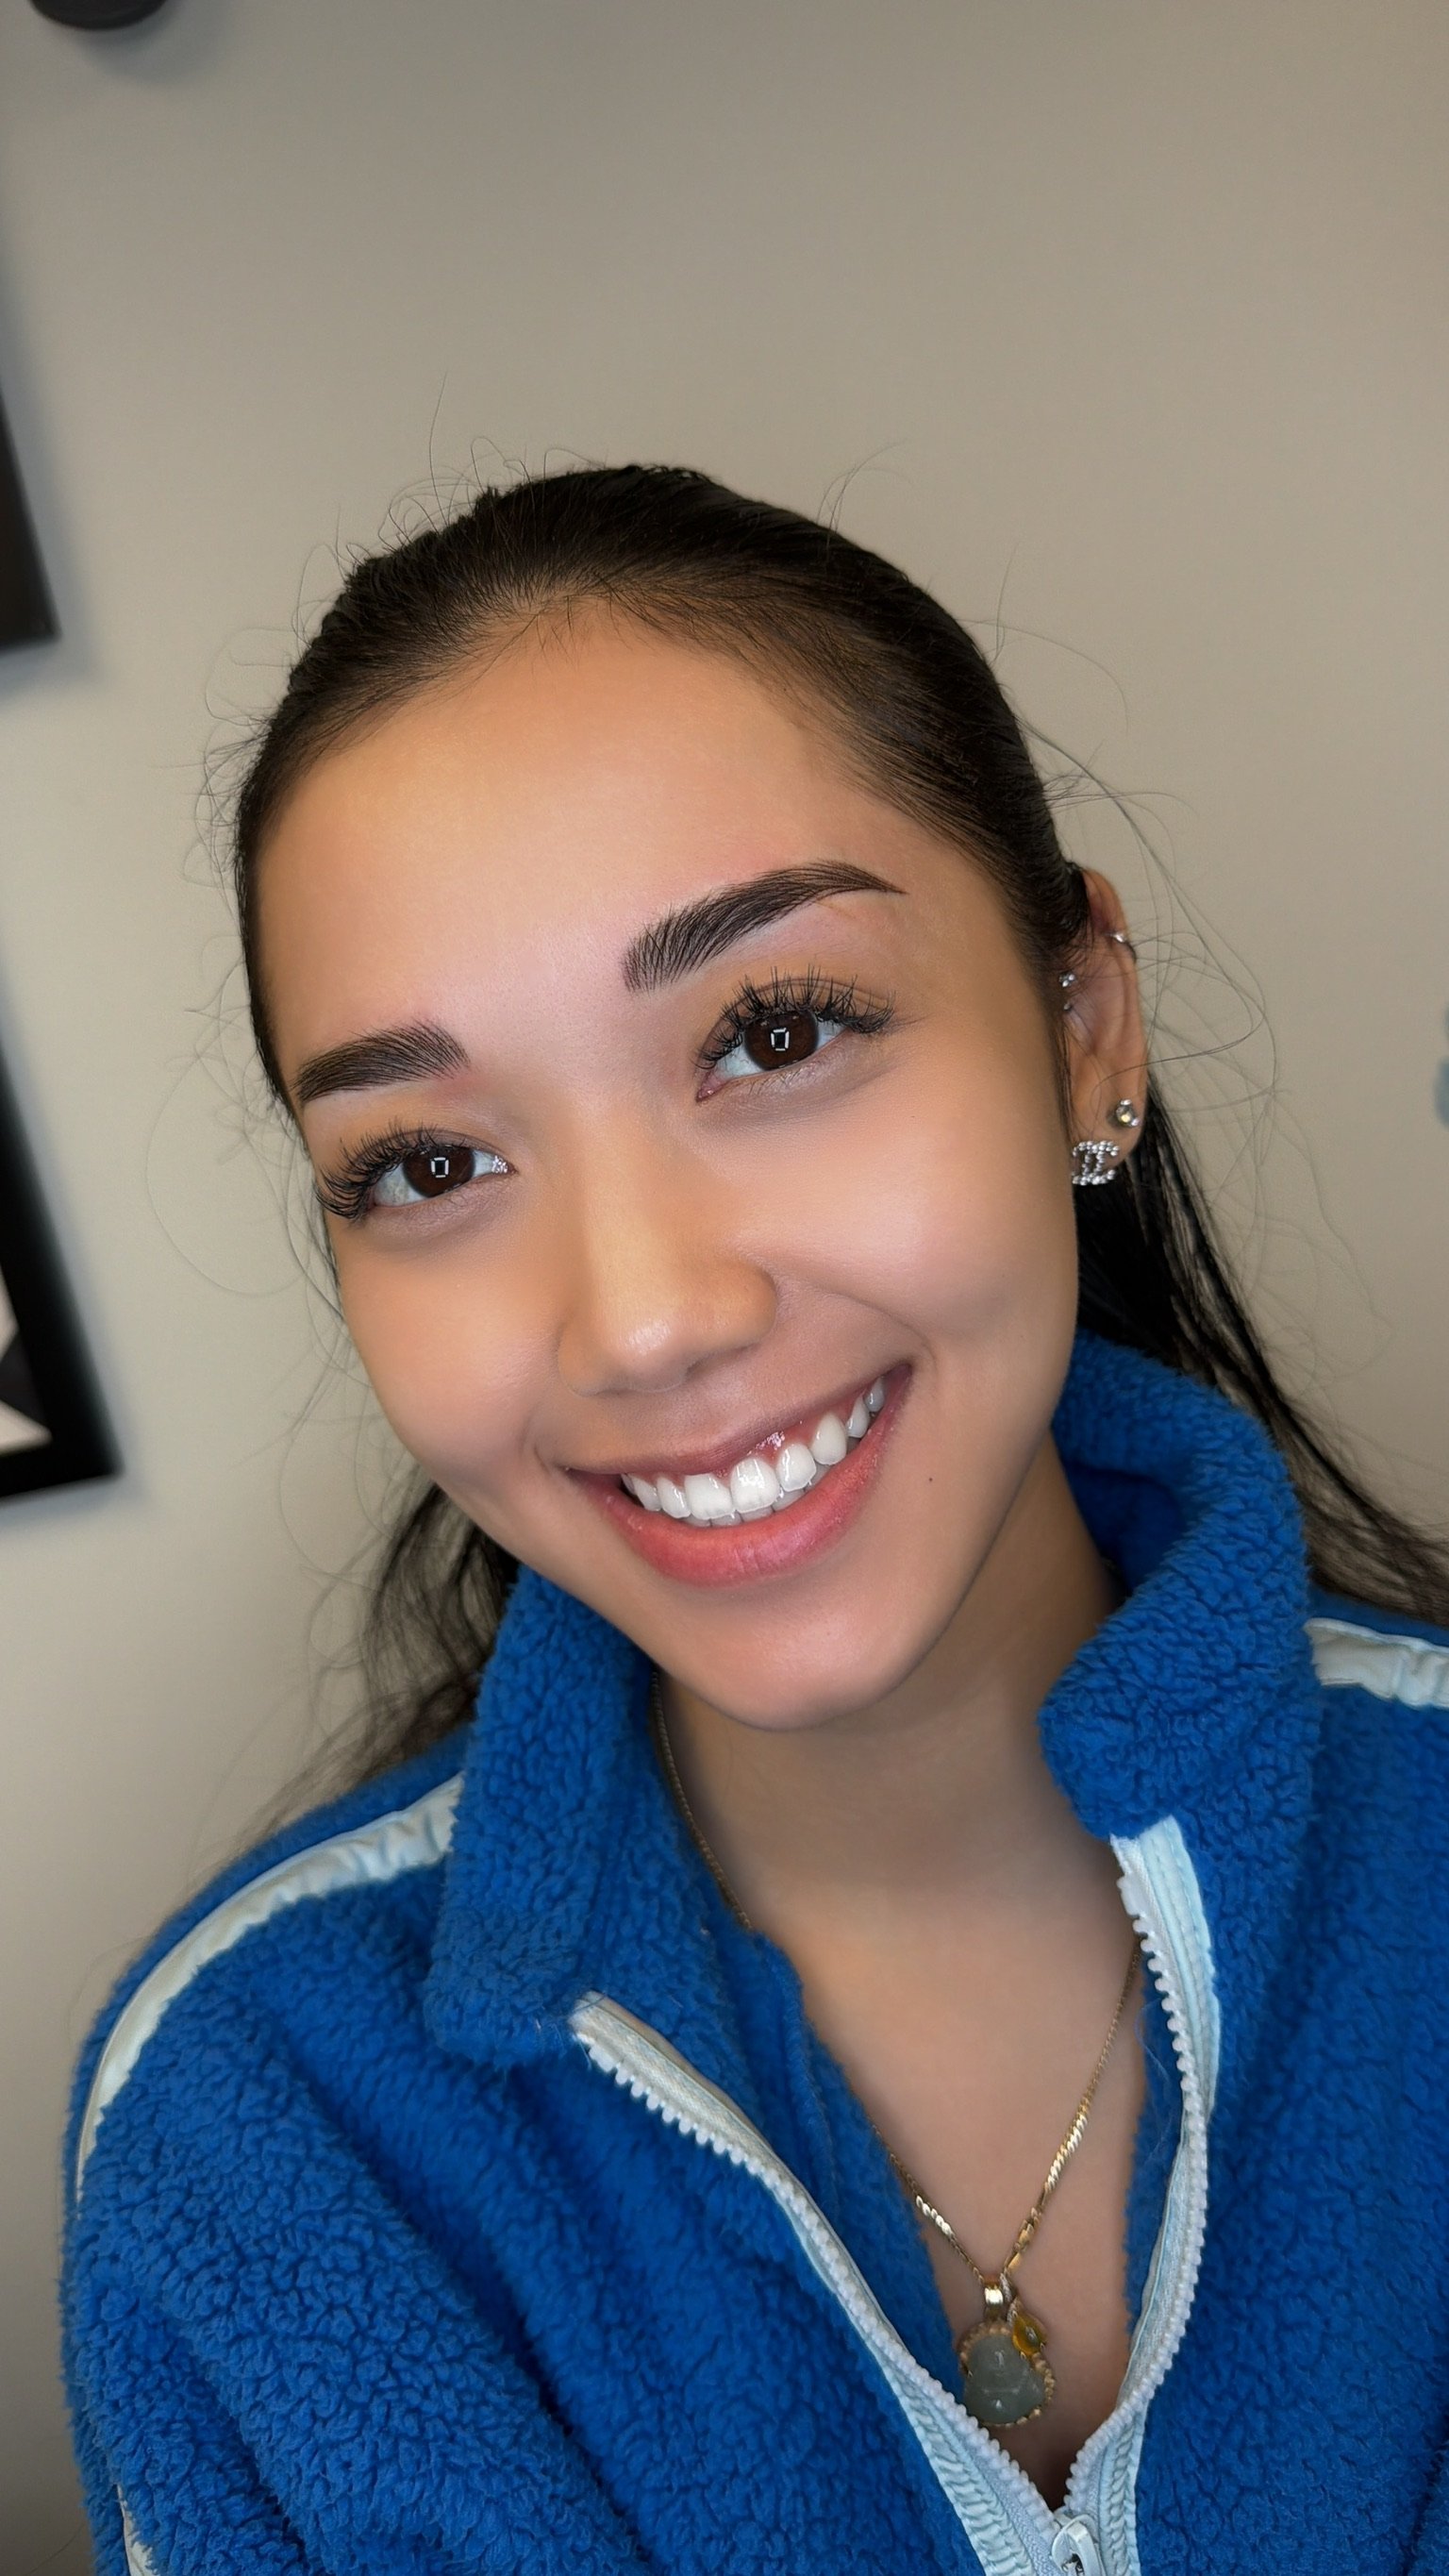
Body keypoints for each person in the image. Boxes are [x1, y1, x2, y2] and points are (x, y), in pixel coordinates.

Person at [62, 465, 1449, 2576]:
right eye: (427, 1164)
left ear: (1086, 1032)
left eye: (775, 1031)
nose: (644, 1318)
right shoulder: (257, 2135)